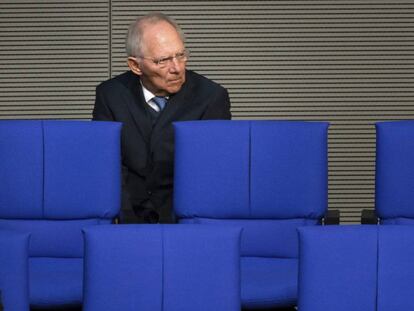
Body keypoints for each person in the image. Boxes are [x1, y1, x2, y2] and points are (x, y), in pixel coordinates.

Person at [92, 12, 231, 223]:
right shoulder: (110, 95)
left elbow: (213, 172)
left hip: (185, 221)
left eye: (180, 55)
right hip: (128, 220)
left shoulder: (211, 97)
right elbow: (107, 166)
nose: (177, 68)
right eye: (163, 60)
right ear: (135, 65)